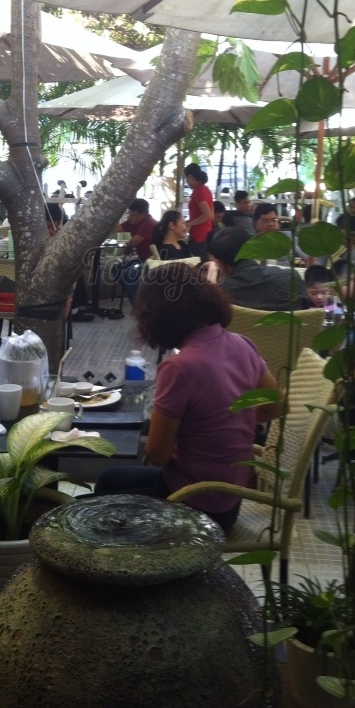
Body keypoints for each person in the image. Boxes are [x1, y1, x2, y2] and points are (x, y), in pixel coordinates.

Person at [94, 263, 281, 529]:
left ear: (156, 315)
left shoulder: (180, 367)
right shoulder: (242, 343)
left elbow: (157, 455)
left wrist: (195, 432)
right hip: (229, 497)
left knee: (92, 507)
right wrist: (228, 424)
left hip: (195, 503)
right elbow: (275, 407)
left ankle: (134, 553)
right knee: (111, 479)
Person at [206, 227, 306, 311]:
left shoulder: (222, 292)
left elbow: (207, 307)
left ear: (220, 263)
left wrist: (212, 274)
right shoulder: (291, 278)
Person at [113, 198, 158, 305]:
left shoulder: (150, 223)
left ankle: (139, 303)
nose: (130, 217)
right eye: (129, 214)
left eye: (133, 215)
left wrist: (129, 245)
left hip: (153, 262)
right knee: (116, 269)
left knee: (130, 274)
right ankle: (134, 298)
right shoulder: (133, 222)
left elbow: (134, 241)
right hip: (142, 260)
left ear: (143, 214)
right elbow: (117, 228)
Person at [184, 164, 214, 258]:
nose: (187, 182)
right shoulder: (206, 190)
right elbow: (211, 216)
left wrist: (190, 224)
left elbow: (207, 214)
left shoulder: (198, 191)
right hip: (207, 235)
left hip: (198, 237)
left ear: (190, 176)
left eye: (186, 178)